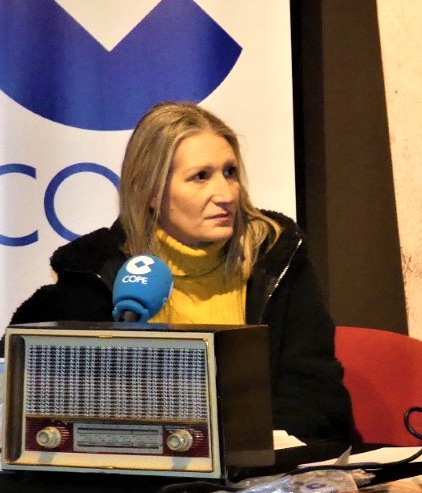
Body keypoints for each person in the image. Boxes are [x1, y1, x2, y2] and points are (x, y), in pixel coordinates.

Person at [10, 102, 352, 442]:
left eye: (229, 172)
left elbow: (315, 396)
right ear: (149, 191)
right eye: (200, 177)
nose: (225, 194)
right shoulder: (93, 274)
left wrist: (238, 448)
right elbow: (24, 392)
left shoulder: (276, 256)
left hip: (264, 473)